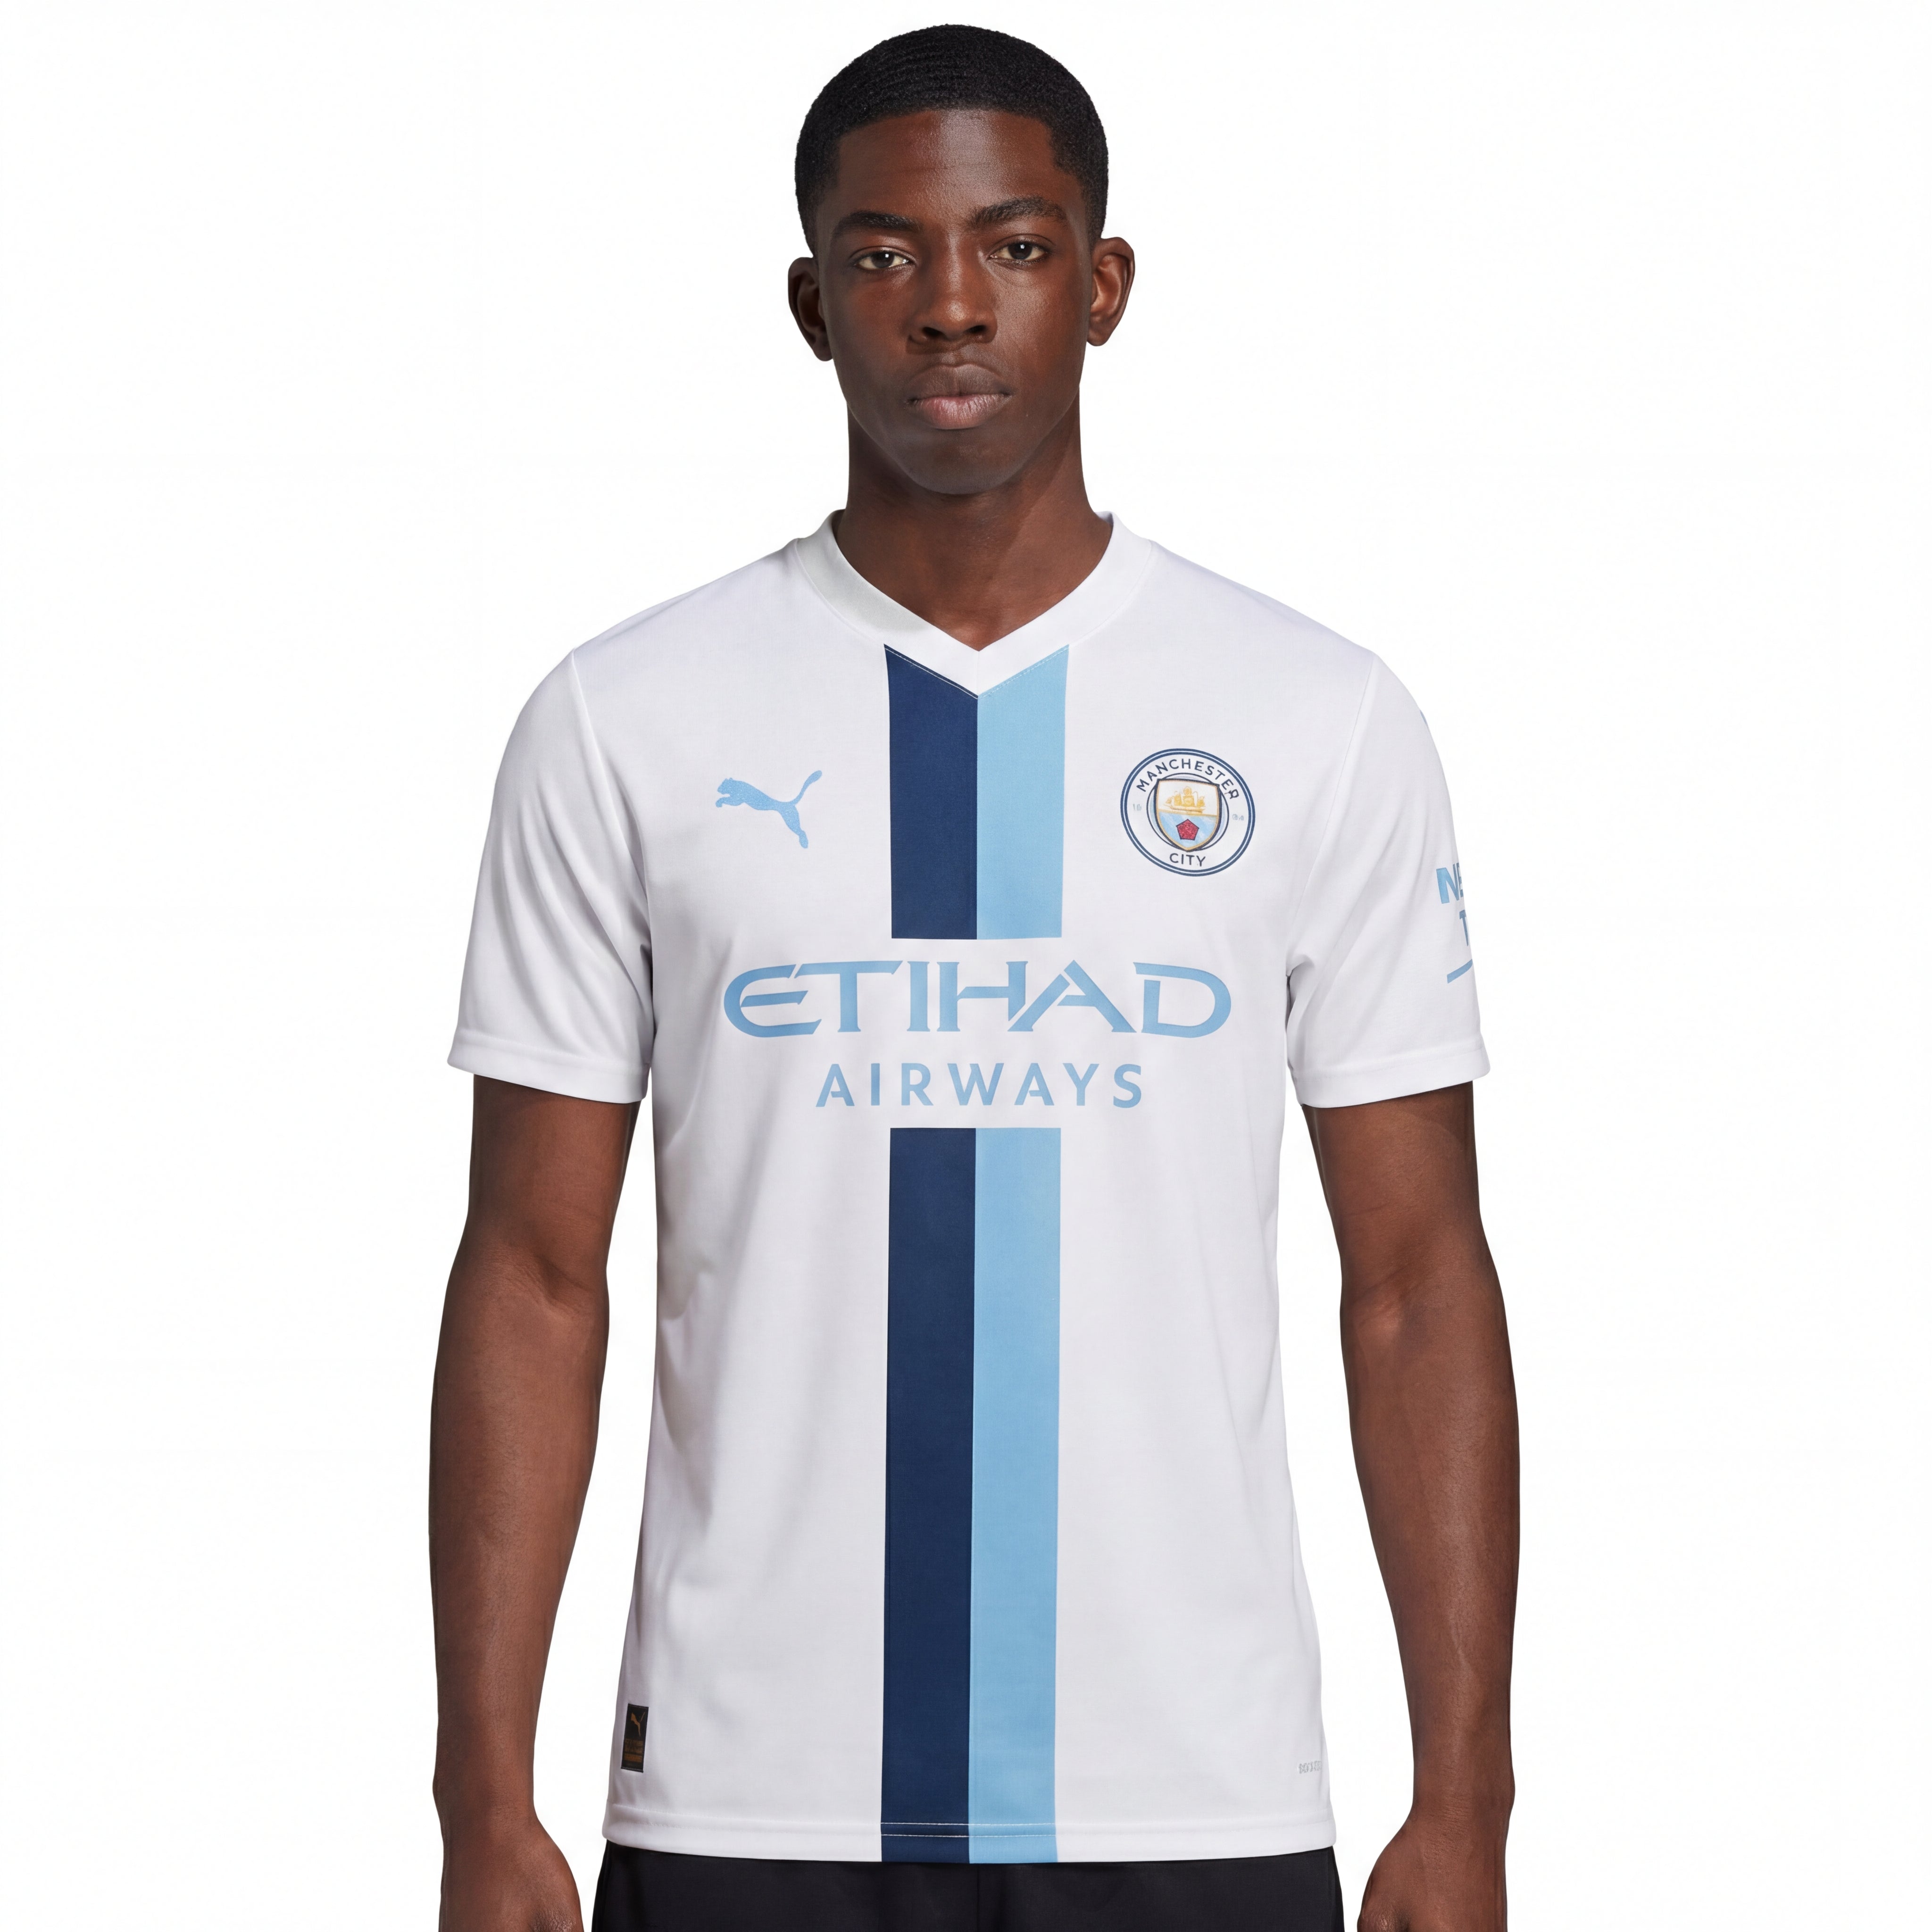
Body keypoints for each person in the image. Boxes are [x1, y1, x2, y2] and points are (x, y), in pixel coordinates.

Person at [431, 25, 1517, 1932]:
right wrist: (480, 1795)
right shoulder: (624, 719)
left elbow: (1417, 1280)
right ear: (810, 304)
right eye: (884, 253)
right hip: (744, 1799)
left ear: (1102, 284)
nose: (950, 304)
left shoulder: (1316, 715)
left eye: (1014, 246)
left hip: (1193, 1790)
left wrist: (1467, 1798)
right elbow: (531, 1272)